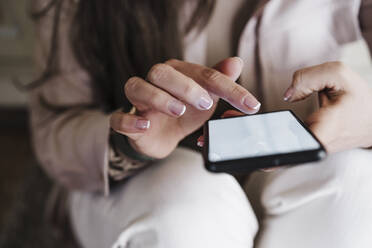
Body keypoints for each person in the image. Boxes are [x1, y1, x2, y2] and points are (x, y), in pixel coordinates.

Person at [29, 0, 372, 247]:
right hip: (138, 183)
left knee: (356, 182)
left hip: (296, 163)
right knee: (184, 210)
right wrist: (129, 138)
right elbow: (55, 129)